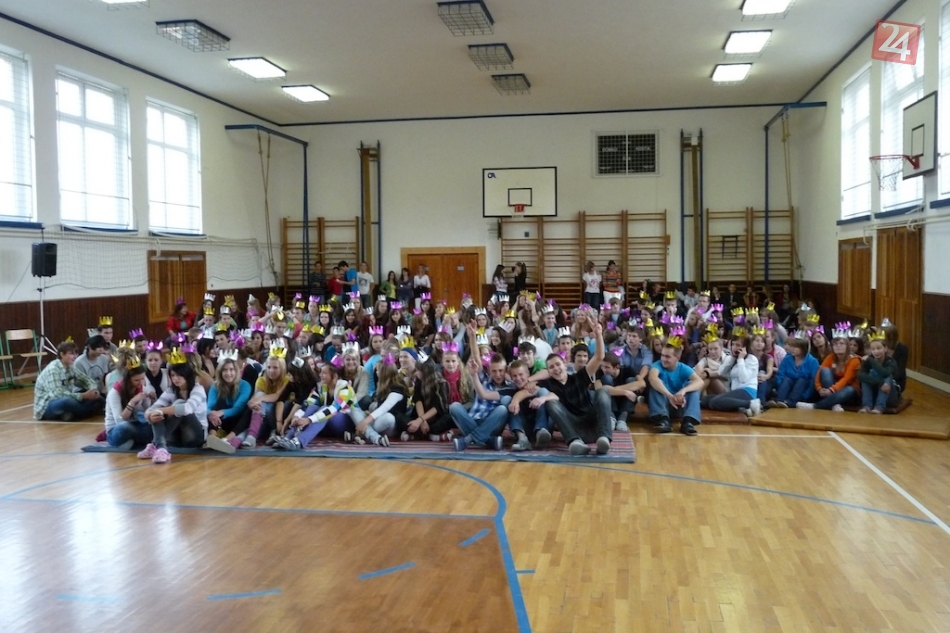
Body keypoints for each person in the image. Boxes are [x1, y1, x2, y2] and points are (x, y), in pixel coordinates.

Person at [542, 322, 613, 455]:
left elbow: (599, 357)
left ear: (565, 364)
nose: (556, 369)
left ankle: (604, 439)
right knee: (551, 403)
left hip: (594, 425)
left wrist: (598, 335)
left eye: (558, 364)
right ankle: (574, 442)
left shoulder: (579, 376)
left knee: (603, 391)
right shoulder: (548, 384)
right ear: (548, 371)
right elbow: (529, 387)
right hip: (575, 429)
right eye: (551, 367)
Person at [139, 359, 208, 464]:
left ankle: (156, 444)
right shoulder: (171, 390)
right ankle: (161, 448)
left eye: (179, 375)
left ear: (187, 374)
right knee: (156, 413)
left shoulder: (198, 389)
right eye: (173, 375)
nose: (176, 378)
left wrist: (161, 410)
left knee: (179, 404)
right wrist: (150, 414)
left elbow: (187, 408)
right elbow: (152, 408)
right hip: (175, 436)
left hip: (195, 436)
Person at [451, 350, 515, 452]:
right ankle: (489, 441)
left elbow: (485, 395)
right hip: (473, 420)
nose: (498, 374)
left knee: (502, 409)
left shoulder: (510, 387)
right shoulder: (484, 379)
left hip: (493, 424)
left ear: (506, 370)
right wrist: (474, 375)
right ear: (489, 370)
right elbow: (476, 357)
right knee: (454, 406)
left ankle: (468, 440)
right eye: (494, 371)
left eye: (501, 370)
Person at [647, 334, 704, 435]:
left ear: (677, 357)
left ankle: (688, 421)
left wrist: (683, 391)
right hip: (664, 405)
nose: (663, 359)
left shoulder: (684, 368)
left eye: (667, 357)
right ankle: (663, 420)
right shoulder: (657, 365)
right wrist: (670, 396)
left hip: (679, 405)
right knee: (656, 384)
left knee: (693, 385)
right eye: (662, 355)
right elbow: (653, 378)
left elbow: (700, 382)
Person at [33, 339, 102, 421]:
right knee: (67, 401)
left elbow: (86, 380)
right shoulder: (53, 369)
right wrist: (83, 396)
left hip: (66, 398)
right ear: (62, 354)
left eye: (76, 353)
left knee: (94, 396)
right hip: (46, 407)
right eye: (71, 353)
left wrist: (93, 390)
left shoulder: (70, 367)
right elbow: (58, 394)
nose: (75, 356)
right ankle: (90, 410)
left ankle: (72, 413)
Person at [797, 328, 860, 412]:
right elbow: (819, 371)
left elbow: (846, 379)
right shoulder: (831, 357)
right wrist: (819, 388)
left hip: (848, 391)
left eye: (841, 343)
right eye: (835, 344)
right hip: (831, 387)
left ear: (847, 346)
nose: (838, 346)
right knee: (825, 370)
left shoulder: (854, 360)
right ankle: (834, 404)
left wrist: (831, 390)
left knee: (850, 389)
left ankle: (815, 406)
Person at [700, 334, 761, 416]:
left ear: (745, 347)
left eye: (738, 345)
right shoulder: (732, 359)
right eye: (733, 344)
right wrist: (732, 358)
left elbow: (743, 379)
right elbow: (721, 372)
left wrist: (741, 359)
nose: (734, 347)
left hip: (747, 392)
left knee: (714, 402)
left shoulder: (752, 359)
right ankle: (741, 408)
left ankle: (751, 404)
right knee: (705, 400)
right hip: (734, 391)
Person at [203, 356, 253, 454]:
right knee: (215, 408)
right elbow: (209, 407)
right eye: (225, 370)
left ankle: (227, 440)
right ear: (220, 372)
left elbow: (238, 408)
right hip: (219, 421)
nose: (228, 373)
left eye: (231, 370)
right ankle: (212, 438)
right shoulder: (215, 386)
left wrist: (221, 412)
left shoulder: (245, 385)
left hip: (238, 422)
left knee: (249, 409)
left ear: (236, 371)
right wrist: (211, 414)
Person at [104, 355, 154, 449]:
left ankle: (134, 441)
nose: (140, 383)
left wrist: (151, 400)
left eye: (142, 379)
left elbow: (146, 415)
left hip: (137, 425)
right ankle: (138, 441)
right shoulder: (115, 393)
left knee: (155, 424)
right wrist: (133, 402)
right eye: (136, 380)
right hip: (116, 429)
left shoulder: (143, 389)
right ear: (128, 379)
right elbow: (119, 420)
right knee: (125, 427)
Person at [768, 335, 818, 408]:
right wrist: (780, 387)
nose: (792, 349)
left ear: (803, 348)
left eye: (795, 347)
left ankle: (790, 402)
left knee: (802, 381)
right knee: (787, 379)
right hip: (786, 388)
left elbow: (813, 381)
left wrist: (805, 395)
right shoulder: (787, 359)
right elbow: (780, 375)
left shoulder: (813, 361)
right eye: (792, 347)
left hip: (801, 391)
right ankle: (779, 400)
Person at [858, 332, 900, 414]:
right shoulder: (868, 360)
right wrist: (880, 383)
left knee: (887, 377)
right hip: (874, 391)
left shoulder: (891, 362)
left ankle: (879, 407)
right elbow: (860, 375)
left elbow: (884, 373)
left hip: (889, 394)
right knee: (865, 377)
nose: (876, 351)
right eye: (873, 349)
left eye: (879, 348)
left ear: (885, 348)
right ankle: (867, 406)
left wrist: (871, 360)